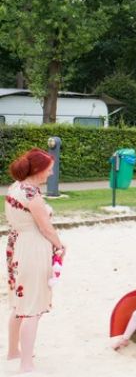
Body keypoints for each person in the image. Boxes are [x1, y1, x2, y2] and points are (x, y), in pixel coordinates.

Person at [5, 148, 66, 373]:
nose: (51, 173)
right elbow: (46, 228)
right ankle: (26, 363)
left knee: (20, 303)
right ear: (38, 170)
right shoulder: (32, 194)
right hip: (33, 249)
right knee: (33, 309)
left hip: (18, 246)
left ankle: (13, 351)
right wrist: (60, 246)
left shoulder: (16, 186)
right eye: (49, 170)